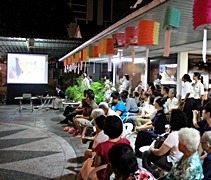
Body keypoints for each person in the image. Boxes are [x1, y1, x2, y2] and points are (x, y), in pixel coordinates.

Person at [77, 115, 130, 180]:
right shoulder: (126, 142)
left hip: (104, 175)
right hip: (122, 174)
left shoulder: (101, 146)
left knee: (87, 163)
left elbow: (96, 164)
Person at [142, 109, 188, 178]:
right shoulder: (185, 132)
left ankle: (148, 176)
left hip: (173, 163)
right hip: (181, 161)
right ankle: (158, 173)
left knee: (146, 154)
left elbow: (159, 153)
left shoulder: (174, 135)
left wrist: (151, 149)